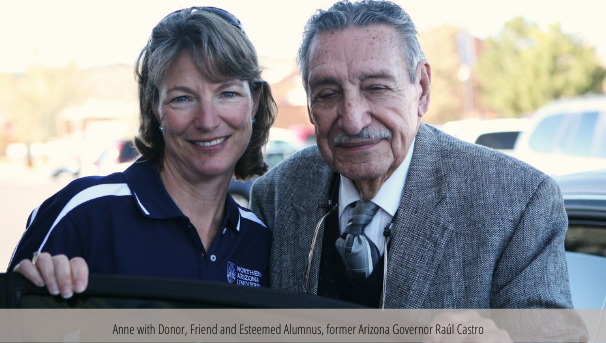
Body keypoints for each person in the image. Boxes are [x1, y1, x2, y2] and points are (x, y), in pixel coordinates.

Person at [250, 0, 574, 313]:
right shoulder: (277, 195)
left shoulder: (518, 202)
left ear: (422, 88)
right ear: (308, 103)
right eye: (328, 94)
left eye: (376, 88)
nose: (352, 119)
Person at [9, 7, 276, 298]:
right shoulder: (87, 213)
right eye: (183, 98)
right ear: (155, 108)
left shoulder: (259, 239)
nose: (208, 120)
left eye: (227, 93)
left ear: (254, 101)